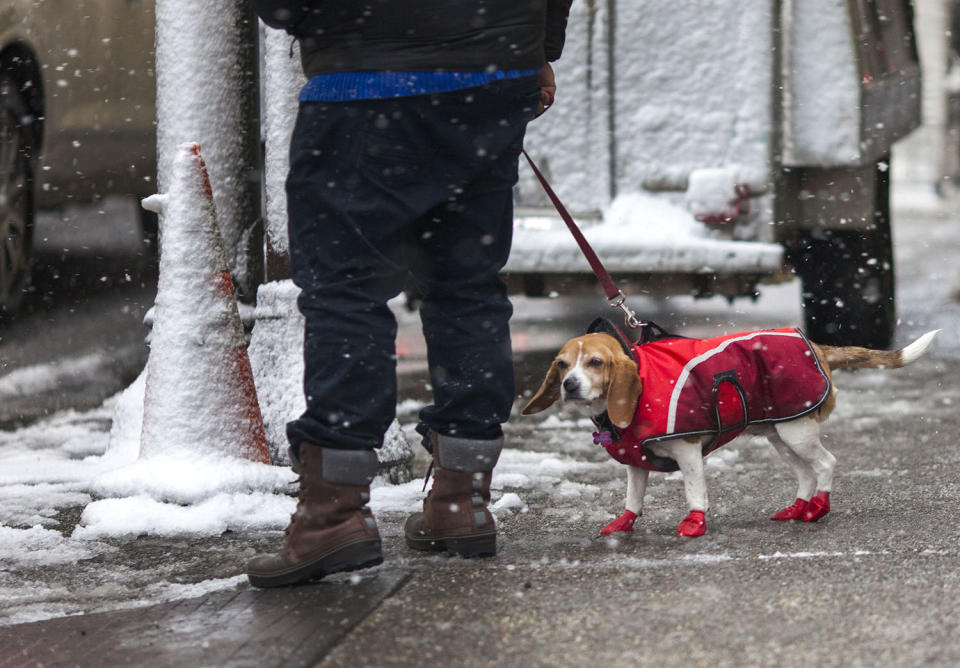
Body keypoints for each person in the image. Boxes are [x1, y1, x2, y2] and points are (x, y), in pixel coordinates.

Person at [246, 0, 573, 588]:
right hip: (492, 72)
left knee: (346, 290)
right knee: (467, 284)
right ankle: (461, 500)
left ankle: (332, 514)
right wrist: (537, 46)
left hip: (364, 77)